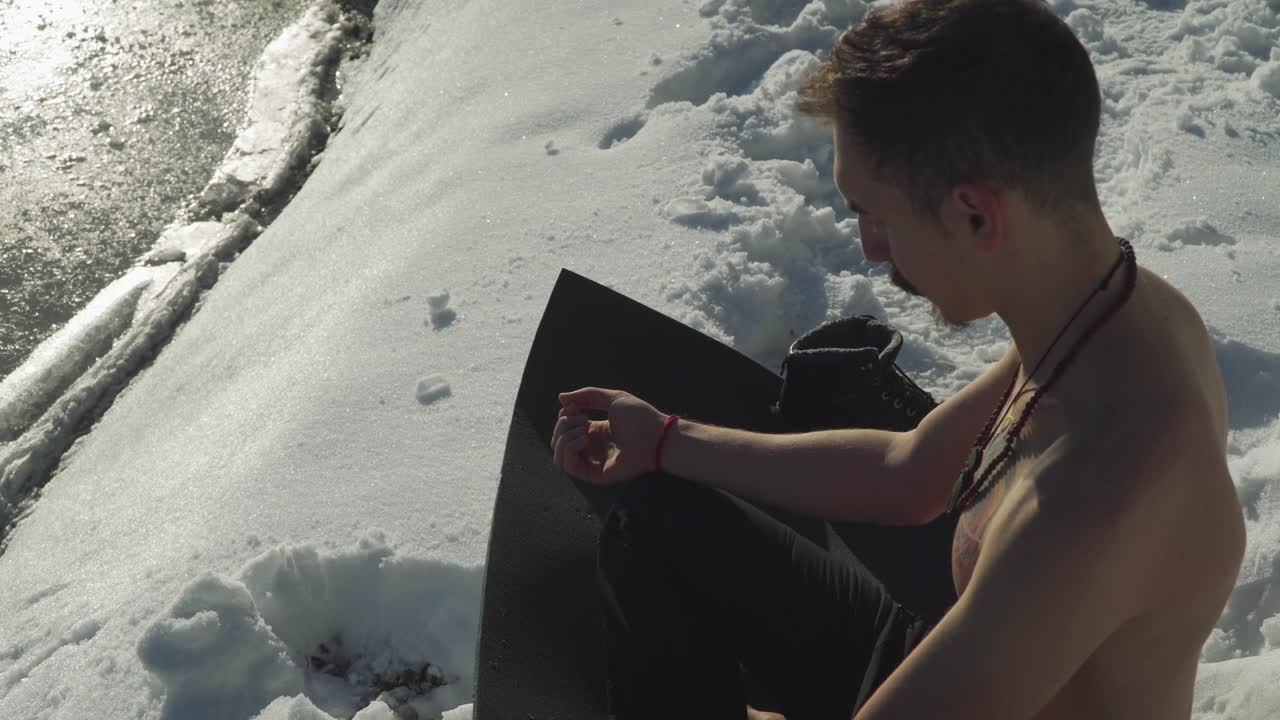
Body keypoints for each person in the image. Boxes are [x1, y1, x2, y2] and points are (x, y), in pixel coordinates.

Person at [550, 0, 1246, 718]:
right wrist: (668, 441)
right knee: (657, 525)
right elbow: (908, 473)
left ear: (975, 215)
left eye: (874, 215)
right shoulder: (1100, 309)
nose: (869, 247)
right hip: (958, 665)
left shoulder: (1100, 490)